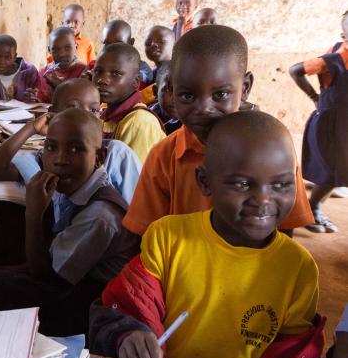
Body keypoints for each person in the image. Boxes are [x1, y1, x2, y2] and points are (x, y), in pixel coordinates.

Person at [90, 111, 337, 358]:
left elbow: (292, 355)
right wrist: (129, 334)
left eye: (281, 185)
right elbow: (126, 306)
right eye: (243, 184)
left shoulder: (298, 267)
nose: (263, 199)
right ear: (205, 181)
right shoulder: (168, 238)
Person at [123, 25, 314, 236]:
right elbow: (144, 233)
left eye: (220, 94)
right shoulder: (164, 157)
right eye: (187, 96)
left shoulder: (274, 149)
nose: (204, 109)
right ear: (172, 89)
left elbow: (285, 231)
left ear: (246, 87)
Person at [0, 109, 139, 336]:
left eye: (76, 149)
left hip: (93, 306)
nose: (60, 160)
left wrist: (33, 214)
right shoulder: (77, 184)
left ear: (99, 156)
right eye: (51, 147)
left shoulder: (100, 215)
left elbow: (45, 276)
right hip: (70, 278)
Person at [0, 78, 142, 204]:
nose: (85, 116)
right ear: (52, 114)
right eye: (73, 108)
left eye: (94, 110)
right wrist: (31, 128)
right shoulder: (48, 158)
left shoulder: (117, 154)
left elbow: (137, 208)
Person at [288, 10, 348, 233]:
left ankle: (315, 205)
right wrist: (315, 97)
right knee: (332, 171)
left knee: (337, 171)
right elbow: (295, 70)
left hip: (344, 125)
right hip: (330, 126)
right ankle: (313, 210)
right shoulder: (332, 60)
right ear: (344, 35)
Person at [93, 43, 165, 163]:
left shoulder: (139, 121)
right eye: (98, 71)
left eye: (115, 74)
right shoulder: (104, 115)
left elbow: (131, 178)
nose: (102, 80)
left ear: (135, 82)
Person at [91, 19, 154, 87]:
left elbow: (146, 78)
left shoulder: (141, 67)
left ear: (131, 42)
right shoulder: (96, 65)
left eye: (119, 43)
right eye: (107, 43)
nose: (112, 48)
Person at [37, 26, 87, 103]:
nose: (61, 54)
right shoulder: (43, 74)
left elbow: (82, 104)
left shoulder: (84, 73)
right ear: (49, 50)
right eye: (55, 49)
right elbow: (40, 101)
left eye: (67, 48)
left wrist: (59, 87)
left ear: (76, 47)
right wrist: (33, 99)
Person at [0, 34, 40, 101]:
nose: (2, 62)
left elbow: (40, 97)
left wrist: (33, 98)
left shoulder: (29, 72)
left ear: (14, 57)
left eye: (7, 58)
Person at [140, 25, 175, 104]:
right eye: (148, 43)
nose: (153, 45)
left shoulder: (177, 73)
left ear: (174, 45)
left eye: (162, 41)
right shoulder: (151, 74)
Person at [148, 61, 181, 135]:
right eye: (169, 90)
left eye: (184, 93)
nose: (175, 98)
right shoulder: (144, 116)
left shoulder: (190, 128)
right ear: (155, 91)